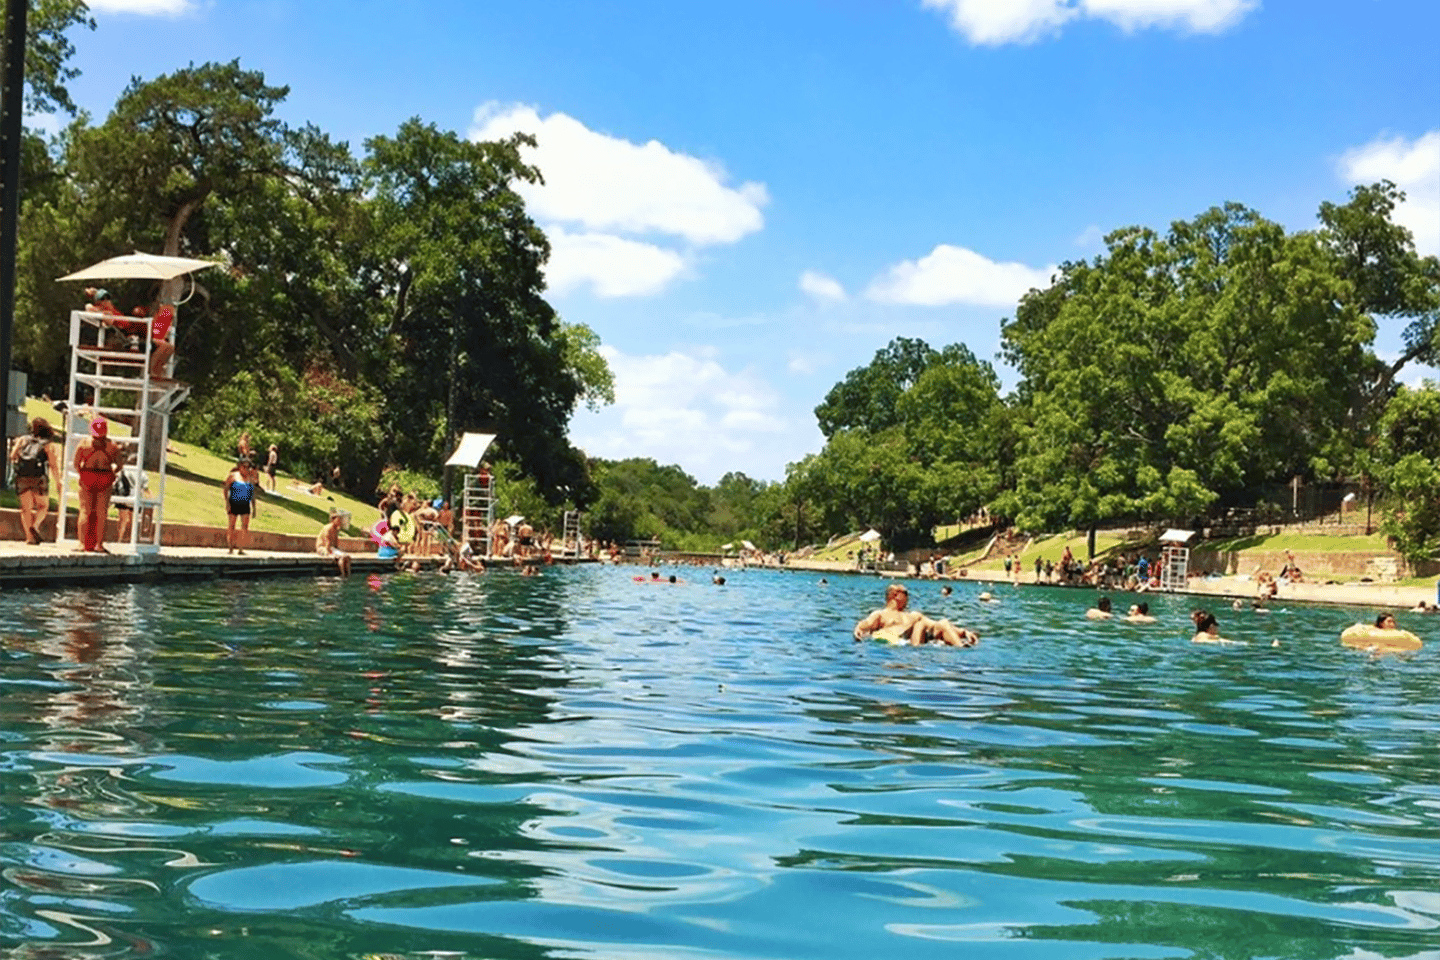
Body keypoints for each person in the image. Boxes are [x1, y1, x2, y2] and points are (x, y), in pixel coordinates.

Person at [853, 583, 978, 647]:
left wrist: (964, 632)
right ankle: (916, 654)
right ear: (895, 595)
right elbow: (867, 624)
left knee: (943, 622)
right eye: (905, 593)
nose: (908, 597)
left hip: (917, 640)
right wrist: (858, 628)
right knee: (920, 623)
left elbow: (936, 625)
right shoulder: (880, 614)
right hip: (905, 645)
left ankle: (961, 648)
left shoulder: (913, 615)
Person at [73, 418, 123, 553]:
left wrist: (82, 473)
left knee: (84, 510)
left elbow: (76, 463)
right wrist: (112, 472)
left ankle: (82, 544)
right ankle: (99, 544)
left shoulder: (84, 444)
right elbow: (119, 465)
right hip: (104, 476)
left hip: (88, 476)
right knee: (102, 512)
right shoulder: (112, 446)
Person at [9, 417, 62, 545]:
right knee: (43, 506)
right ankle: (36, 525)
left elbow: (12, 456)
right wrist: (58, 482)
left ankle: (29, 538)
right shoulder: (47, 444)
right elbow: (53, 465)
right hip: (39, 478)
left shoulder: (23, 439)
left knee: (26, 509)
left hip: (22, 477)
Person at [223, 458, 256, 554]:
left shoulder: (250, 478)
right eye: (244, 466)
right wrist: (227, 503)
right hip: (234, 503)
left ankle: (241, 548)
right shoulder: (233, 476)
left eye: (247, 467)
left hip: (245, 504)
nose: (245, 469)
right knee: (231, 526)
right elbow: (226, 489)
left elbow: (252, 494)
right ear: (239, 466)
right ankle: (230, 547)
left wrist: (254, 508)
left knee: (244, 527)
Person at [314, 510, 352, 576]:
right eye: (338, 519)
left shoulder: (336, 529)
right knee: (342, 557)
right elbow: (327, 541)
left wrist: (337, 550)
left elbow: (335, 542)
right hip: (322, 548)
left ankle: (348, 575)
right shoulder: (328, 528)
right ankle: (343, 575)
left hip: (331, 548)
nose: (340, 521)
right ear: (333, 520)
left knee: (347, 557)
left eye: (340, 520)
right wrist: (329, 553)